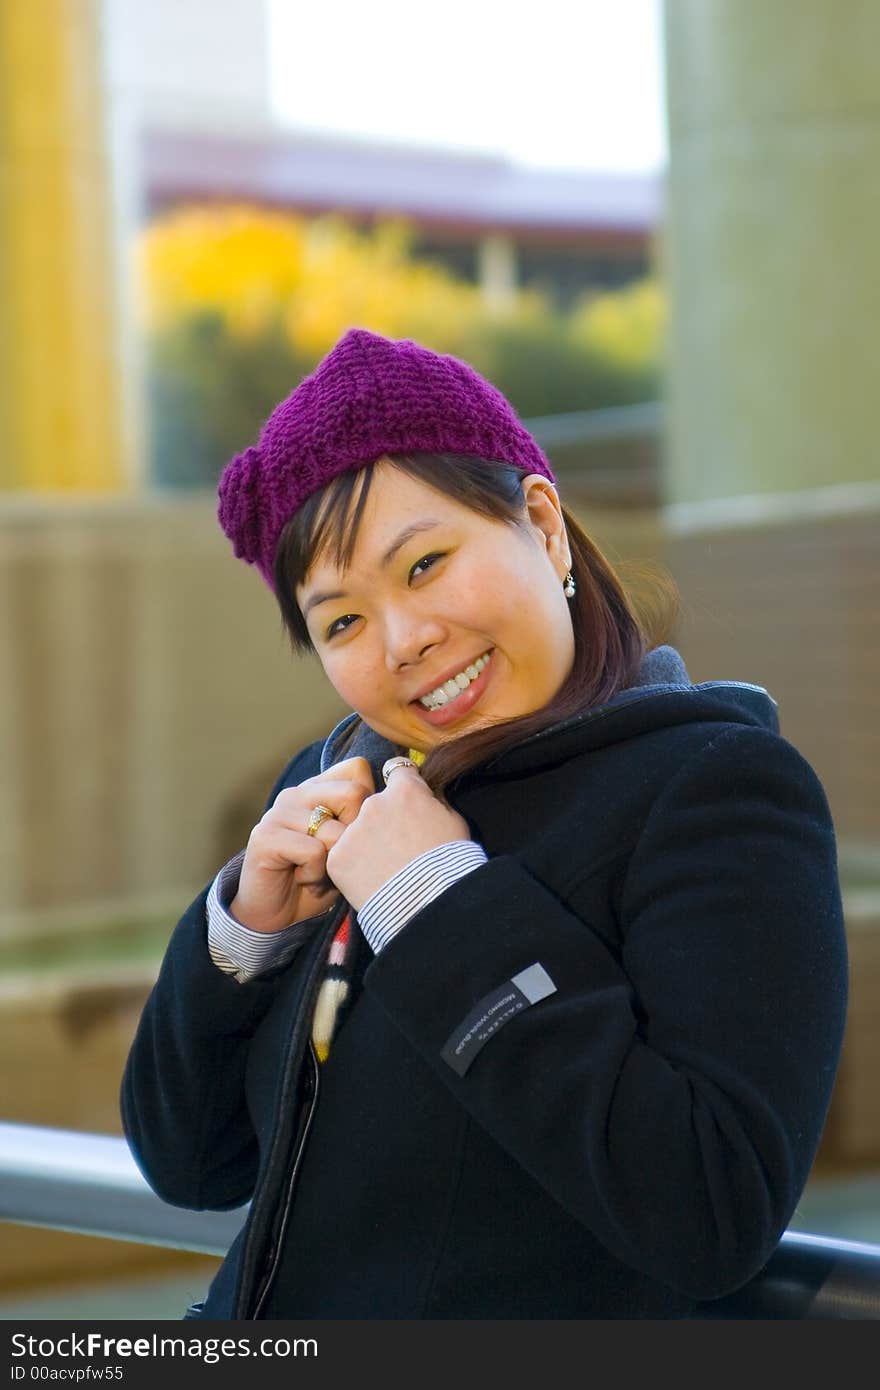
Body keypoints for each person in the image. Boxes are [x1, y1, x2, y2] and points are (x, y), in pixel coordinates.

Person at [121, 327, 848, 1320]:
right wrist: (244, 929)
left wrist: (437, 903)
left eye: (423, 566)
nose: (404, 640)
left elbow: (712, 1210)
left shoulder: (715, 789)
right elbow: (191, 1162)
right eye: (341, 621)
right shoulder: (341, 789)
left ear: (543, 526)